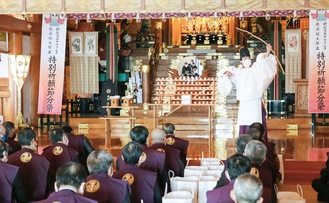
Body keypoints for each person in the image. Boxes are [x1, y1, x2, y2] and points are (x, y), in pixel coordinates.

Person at [217, 44, 277, 135]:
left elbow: (263, 60)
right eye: (244, 59)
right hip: (244, 104)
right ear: (241, 61)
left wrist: (268, 51)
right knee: (245, 125)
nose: (247, 60)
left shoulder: (256, 68)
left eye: (248, 58)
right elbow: (225, 71)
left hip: (256, 102)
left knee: (257, 125)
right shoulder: (238, 72)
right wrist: (227, 73)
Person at [116, 125, 167, 194]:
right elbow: (164, 181)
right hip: (151, 194)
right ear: (147, 139)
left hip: (126, 194)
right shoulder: (159, 155)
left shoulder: (121, 156)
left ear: (130, 140)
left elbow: (118, 179)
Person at [7, 127, 50, 202]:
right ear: (33, 141)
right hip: (39, 200)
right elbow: (48, 185)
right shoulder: (44, 160)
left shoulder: (9, 159)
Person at [42, 128, 79, 193]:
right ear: (64, 137)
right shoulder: (72, 152)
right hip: (69, 188)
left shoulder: (45, 153)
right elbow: (77, 171)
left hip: (50, 189)